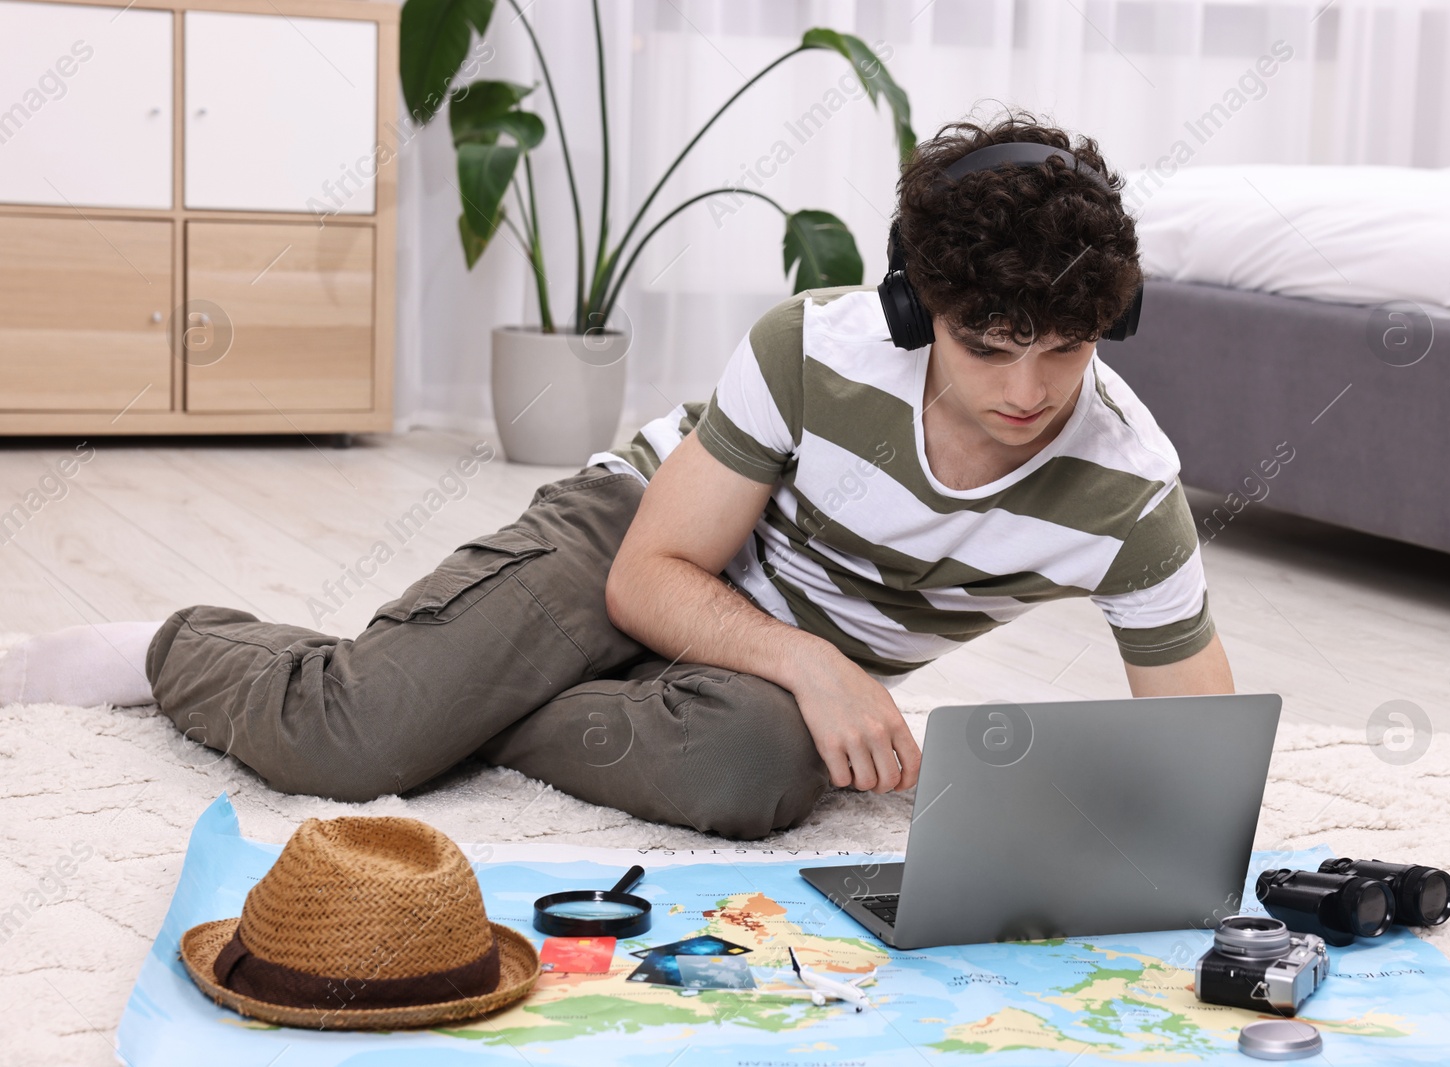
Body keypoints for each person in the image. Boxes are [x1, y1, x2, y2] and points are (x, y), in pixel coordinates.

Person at [0, 114, 1232, 840]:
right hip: (637, 539)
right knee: (347, 737)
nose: (1026, 393)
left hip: (733, 678)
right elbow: (654, 574)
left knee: (754, 773)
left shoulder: (1125, 486)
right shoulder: (815, 346)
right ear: (922, 308)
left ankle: (459, 692)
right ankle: (167, 643)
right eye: (987, 346)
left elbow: (1200, 766)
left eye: (1062, 350)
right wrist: (815, 660)